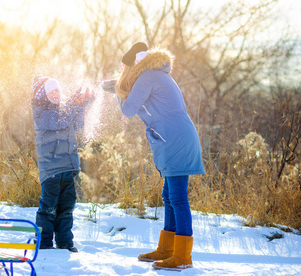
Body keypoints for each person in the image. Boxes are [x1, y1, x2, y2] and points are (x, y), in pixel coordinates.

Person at [102, 42, 205, 270]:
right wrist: (117, 86)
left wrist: (118, 90)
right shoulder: (152, 74)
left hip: (175, 139)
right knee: (169, 196)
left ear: (134, 65)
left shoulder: (148, 76)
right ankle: (168, 249)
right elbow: (133, 96)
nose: (123, 71)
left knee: (177, 198)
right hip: (174, 136)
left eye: (124, 68)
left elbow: (128, 109)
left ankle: (183, 257)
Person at [31, 76, 94, 253]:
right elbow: (61, 121)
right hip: (51, 168)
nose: (56, 94)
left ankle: (65, 242)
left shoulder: (62, 110)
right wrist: (73, 104)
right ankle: (43, 242)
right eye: (52, 92)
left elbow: (78, 124)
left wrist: (80, 104)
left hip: (67, 166)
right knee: (49, 206)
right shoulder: (41, 113)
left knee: (67, 205)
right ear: (43, 95)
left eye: (58, 91)